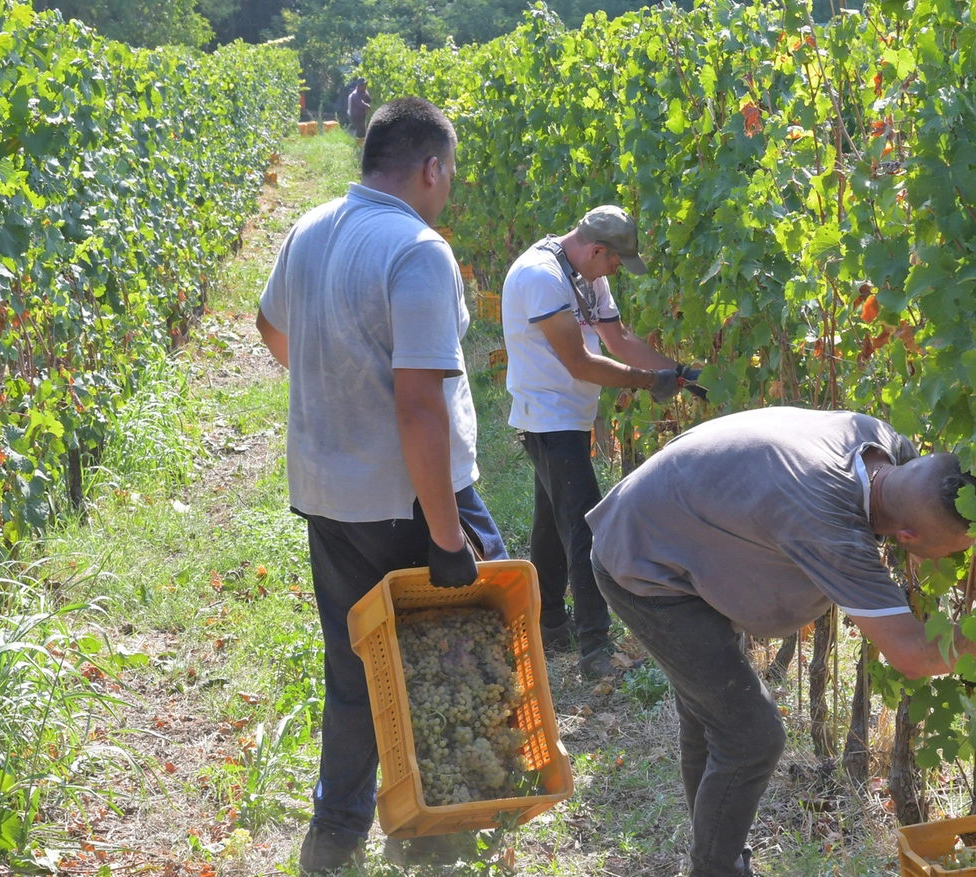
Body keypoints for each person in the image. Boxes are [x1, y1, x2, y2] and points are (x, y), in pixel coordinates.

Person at [586, 407, 976, 877]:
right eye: (959, 552)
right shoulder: (827, 519)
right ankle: (713, 870)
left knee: (715, 717)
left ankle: (715, 859)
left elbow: (925, 519)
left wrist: (969, 577)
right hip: (642, 562)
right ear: (907, 535)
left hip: (686, 532)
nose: (963, 558)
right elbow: (911, 655)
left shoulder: (886, 448)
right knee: (751, 734)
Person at [255, 96, 508, 875]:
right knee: (460, 652)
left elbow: (269, 326)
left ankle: (334, 836)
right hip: (410, 499)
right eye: (450, 173)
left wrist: (334, 394)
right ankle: (434, 832)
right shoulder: (417, 250)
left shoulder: (311, 227)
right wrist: (445, 536)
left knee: (355, 664)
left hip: (329, 492)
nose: (450, 187)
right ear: (430, 168)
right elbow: (420, 406)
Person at [501, 205, 694, 678]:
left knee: (552, 522)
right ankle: (595, 649)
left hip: (569, 415)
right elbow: (582, 364)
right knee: (586, 525)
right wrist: (650, 383)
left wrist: (681, 373)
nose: (616, 271)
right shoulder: (540, 276)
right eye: (614, 262)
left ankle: (548, 623)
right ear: (596, 249)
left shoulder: (586, 275)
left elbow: (620, 339)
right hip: (547, 419)